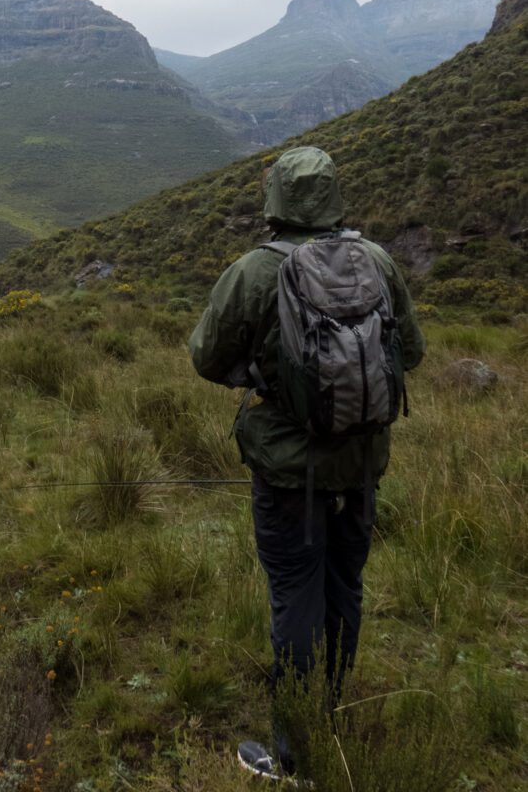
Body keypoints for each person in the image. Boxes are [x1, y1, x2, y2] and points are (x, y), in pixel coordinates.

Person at [188, 146, 425, 781]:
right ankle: (332, 714)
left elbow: (207, 359)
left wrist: (262, 372)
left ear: (276, 201)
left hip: (290, 471)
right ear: (332, 196)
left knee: (295, 594)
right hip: (363, 464)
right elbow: (414, 352)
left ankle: (293, 751)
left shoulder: (255, 272)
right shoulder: (376, 261)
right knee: (345, 586)